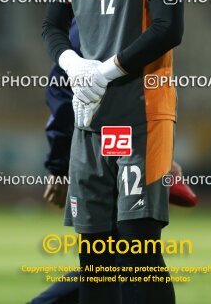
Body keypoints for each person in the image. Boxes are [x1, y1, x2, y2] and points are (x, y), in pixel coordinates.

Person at [42, 0, 184, 304]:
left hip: (140, 119)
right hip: (90, 124)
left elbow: (169, 27)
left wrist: (106, 69)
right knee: (94, 260)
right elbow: (52, 26)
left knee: (137, 249)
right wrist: (74, 65)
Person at [29, 20, 197, 304]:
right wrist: (59, 167)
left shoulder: (126, 17)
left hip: (115, 142)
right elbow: (62, 88)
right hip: (97, 143)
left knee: (118, 254)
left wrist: (161, 153)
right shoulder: (102, 17)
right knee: (125, 253)